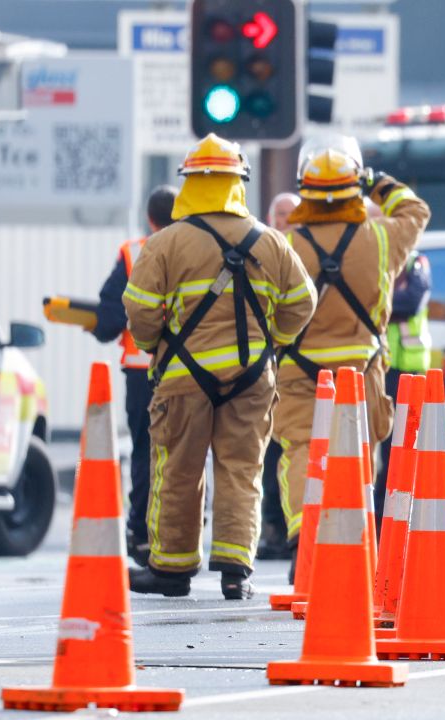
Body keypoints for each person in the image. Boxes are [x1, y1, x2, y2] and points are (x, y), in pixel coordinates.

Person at [123, 133, 316, 600]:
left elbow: (141, 314)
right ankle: (235, 570)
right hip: (252, 380)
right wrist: (275, 343)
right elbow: (302, 303)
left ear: (190, 184)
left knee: (177, 471)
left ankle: (171, 570)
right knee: (242, 470)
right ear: (238, 184)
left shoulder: (164, 243)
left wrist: (154, 344)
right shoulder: (270, 241)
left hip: (182, 378)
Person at [273, 137, 430, 564]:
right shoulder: (380, 238)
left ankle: (304, 535)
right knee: (360, 448)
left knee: (301, 449)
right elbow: (416, 210)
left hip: (298, 367)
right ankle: (354, 538)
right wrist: (377, 182)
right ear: (353, 187)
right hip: (361, 366)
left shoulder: (283, 243)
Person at [91, 185, 177, 569]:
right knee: (184, 453)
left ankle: (141, 535)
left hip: (142, 371)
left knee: (144, 451)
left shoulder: (132, 252)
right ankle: (181, 533)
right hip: (189, 370)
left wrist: (100, 327)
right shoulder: (197, 248)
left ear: (149, 218)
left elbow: (108, 318)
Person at [257, 191, 304, 562]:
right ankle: (274, 530)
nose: (286, 219)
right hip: (270, 369)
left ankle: (293, 531)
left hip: (294, 370)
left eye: (292, 213)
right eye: (281, 214)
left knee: (292, 455)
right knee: (269, 457)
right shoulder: (265, 249)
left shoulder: (303, 250)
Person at [374, 250, 432, 526]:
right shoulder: (370, 257)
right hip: (380, 370)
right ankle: (379, 522)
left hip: (409, 370)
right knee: (382, 454)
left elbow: (410, 303)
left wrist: (378, 303)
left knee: (405, 451)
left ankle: (400, 520)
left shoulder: (415, 262)